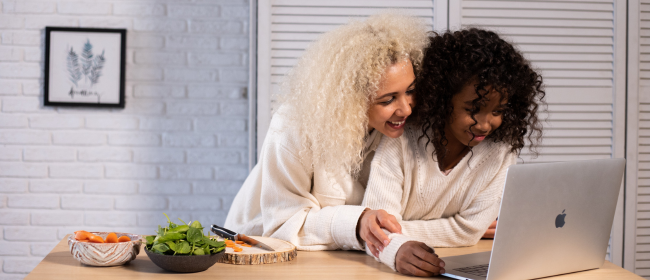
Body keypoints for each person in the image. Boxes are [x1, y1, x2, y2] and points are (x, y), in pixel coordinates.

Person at [224, 12, 429, 252]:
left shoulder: (401, 131)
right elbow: (282, 224)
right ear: (353, 99)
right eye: (388, 100)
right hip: (255, 250)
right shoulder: (294, 127)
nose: (406, 109)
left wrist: (472, 221)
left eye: (410, 91)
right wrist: (356, 222)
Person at [360, 28, 545, 276]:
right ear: (443, 98)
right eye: (473, 109)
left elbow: (469, 231)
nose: (484, 124)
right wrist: (392, 236)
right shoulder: (400, 139)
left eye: (498, 111)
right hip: (381, 268)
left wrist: (398, 231)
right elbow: (378, 225)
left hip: (449, 263)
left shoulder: (501, 152)